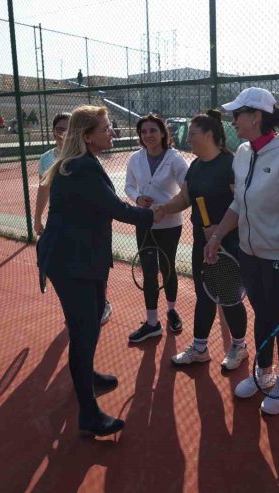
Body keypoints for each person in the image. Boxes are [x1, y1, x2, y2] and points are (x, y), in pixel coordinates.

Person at [37, 105, 153, 436]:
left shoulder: (80, 164)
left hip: (80, 258)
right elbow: (115, 209)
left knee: (88, 324)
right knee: (83, 330)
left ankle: (86, 377)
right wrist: (152, 215)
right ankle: (88, 415)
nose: (111, 132)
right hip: (72, 261)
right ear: (88, 137)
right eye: (105, 129)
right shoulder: (82, 168)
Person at [204, 87, 279, 415]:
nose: (233, 121)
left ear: (256, 117)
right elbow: (238, 203)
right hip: (249, 253)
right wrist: (217, 235)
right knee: (263, 314)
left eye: (238, 115)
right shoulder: (244, 151)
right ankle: (264, 374)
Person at [154, 110, 249, 369]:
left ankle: (240, 346)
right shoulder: (195, 166)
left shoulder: (230, 164)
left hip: (227, 244)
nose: (188, 139)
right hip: (200, 241)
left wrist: (220, 229)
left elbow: (245, 204)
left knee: (228, 297)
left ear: (209, 135)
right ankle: (199, 348)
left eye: (192, 134)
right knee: (204, 295)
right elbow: (184, 198)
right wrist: (163, 208)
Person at [35, 113, 113, 325]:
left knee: (94, 266)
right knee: (71, 270)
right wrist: (37, 218)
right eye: (60, 128)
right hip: (63, 222)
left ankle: (100, 303)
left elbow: (102, 196)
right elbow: (43, 189)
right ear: (53, 132)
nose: (64, 133)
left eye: (68, 128)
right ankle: (77, 310)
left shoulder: (85, 158)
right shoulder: (46, 159)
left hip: (88, 226)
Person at [124, 114, 187, 342]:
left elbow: (186, 189)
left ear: (163, 133)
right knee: (149, 270)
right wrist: (138, 198)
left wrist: (166, 208)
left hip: (170, 225)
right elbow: (129, 187)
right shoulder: (135, 158)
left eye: (152, 130)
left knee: (167, 268)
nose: (148, 135)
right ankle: (152, 322)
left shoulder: (176, 159)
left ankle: (171, 310)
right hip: (144, 223)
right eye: (143, 132)